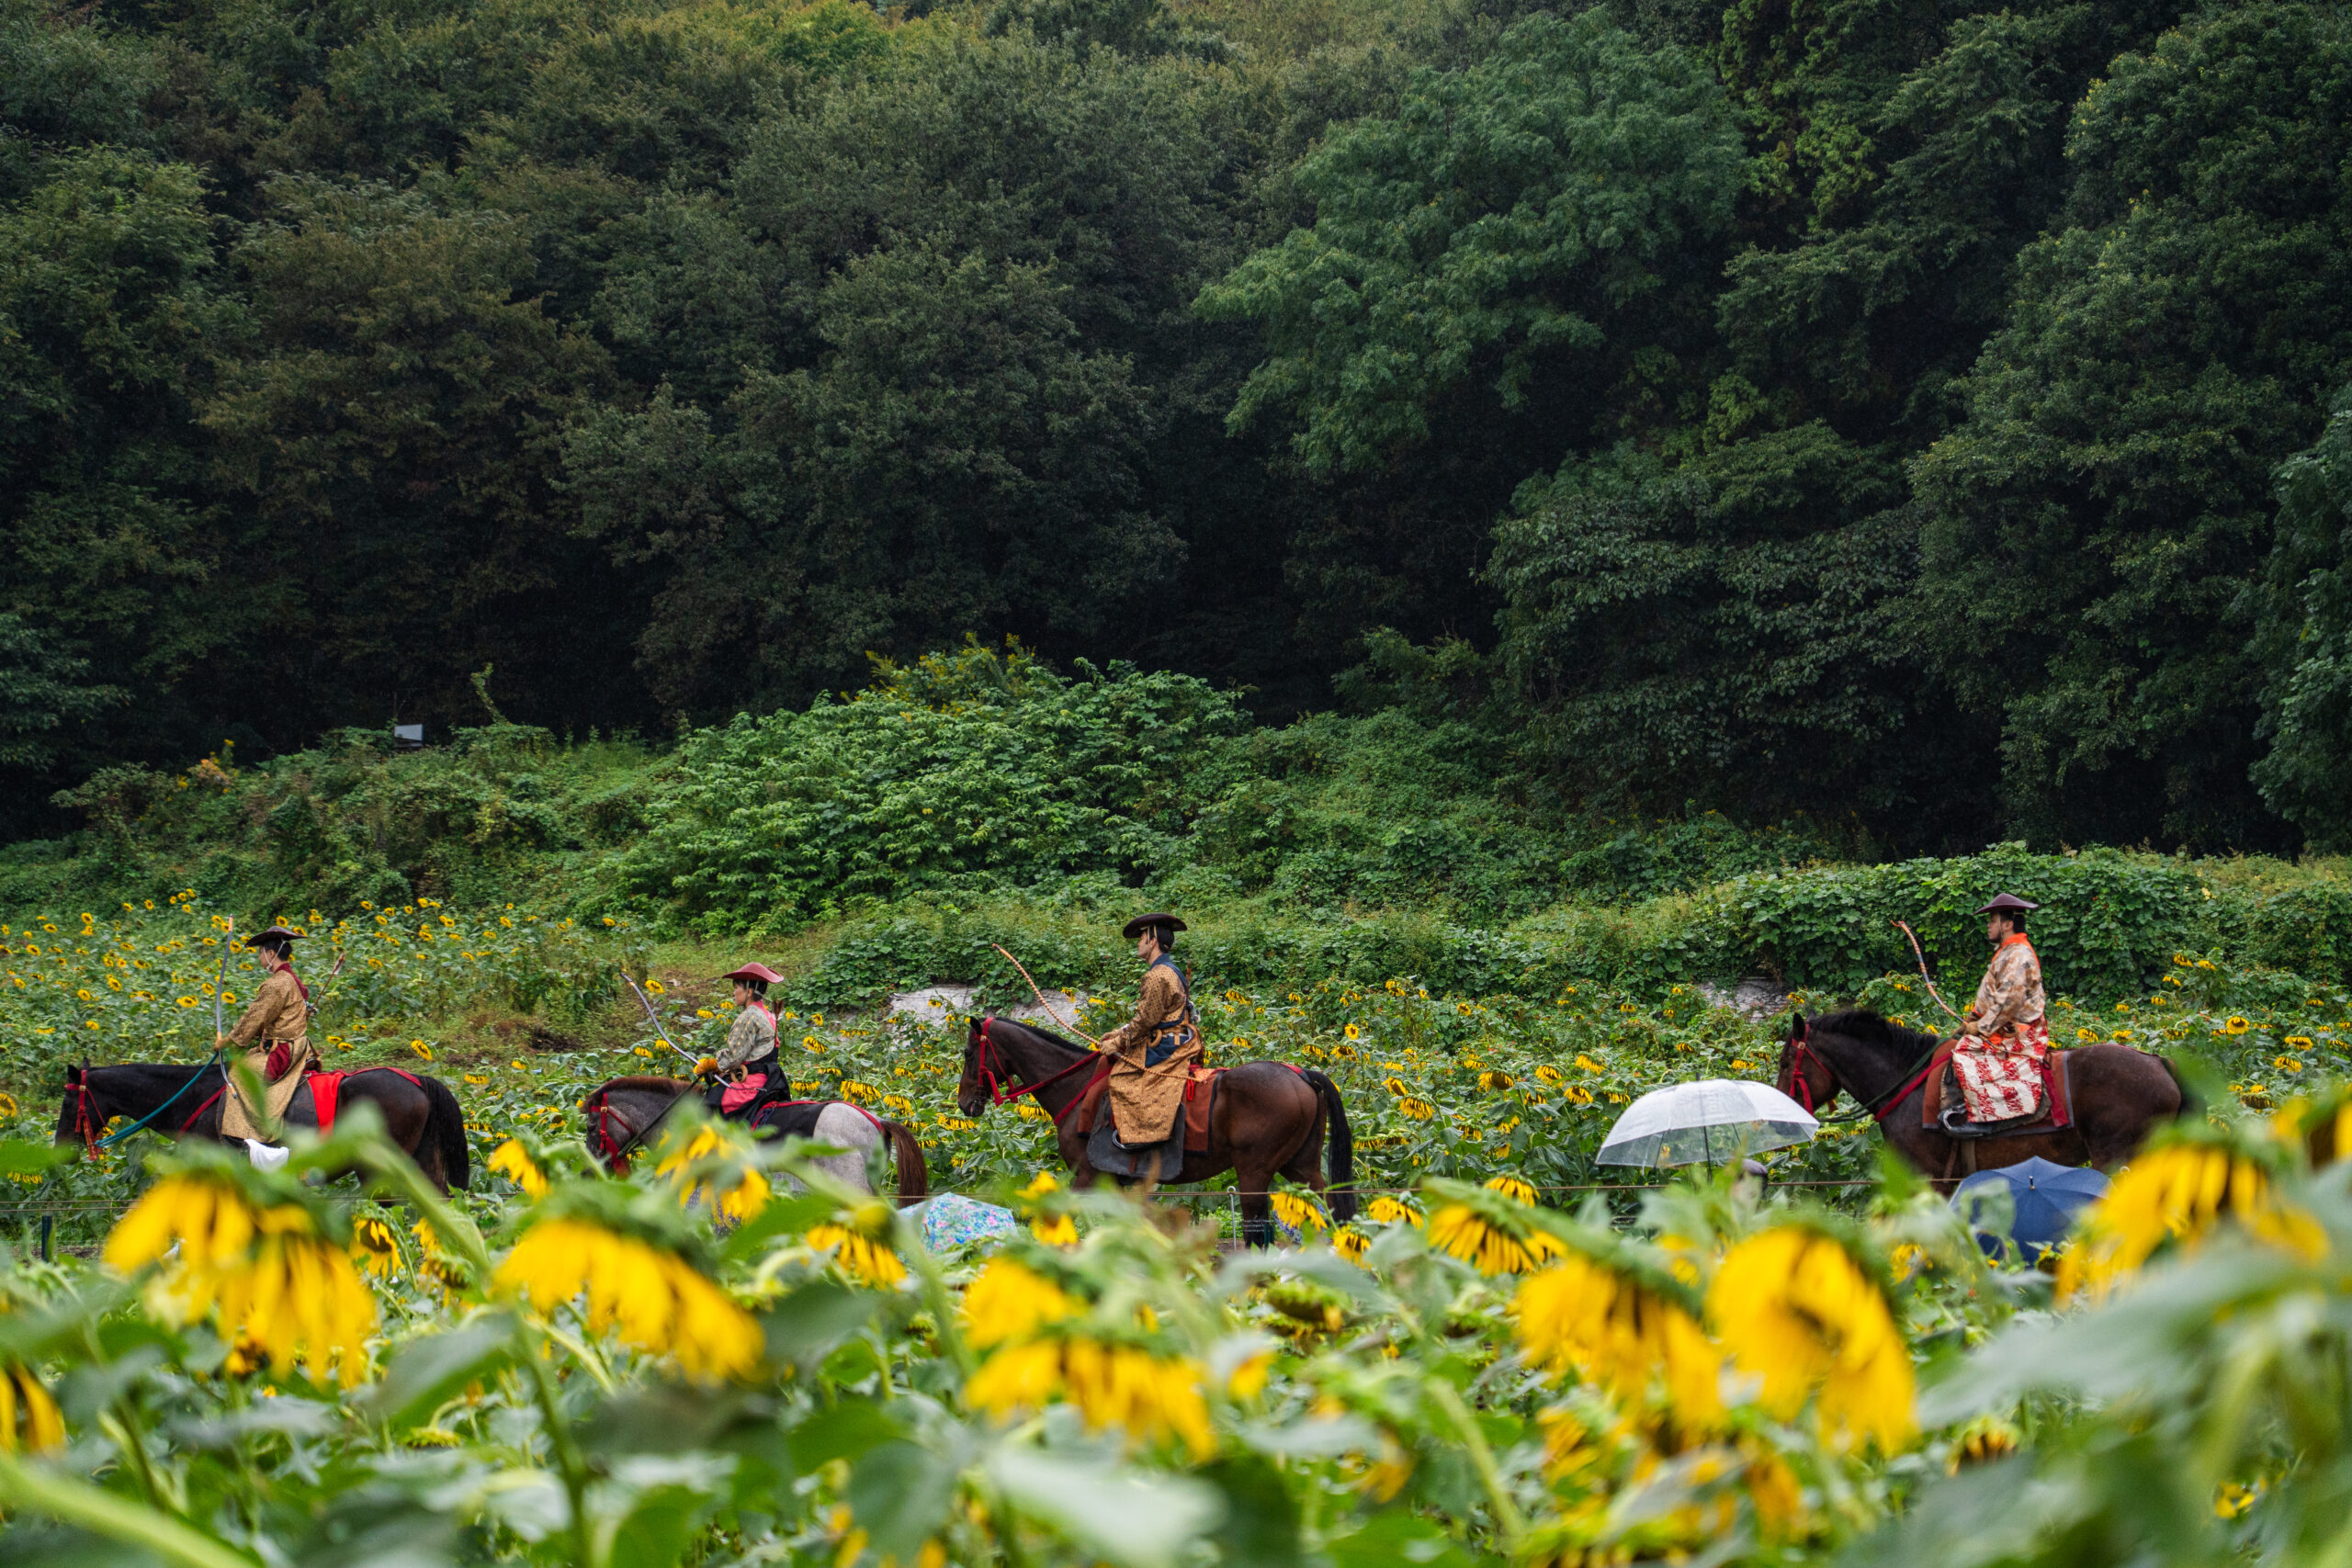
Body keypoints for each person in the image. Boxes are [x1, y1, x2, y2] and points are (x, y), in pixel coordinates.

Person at [1940, 894, 2050, 1136]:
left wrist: (1981, 1027)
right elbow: (1989, 996)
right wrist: (1971, 1021)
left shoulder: (2019, 954)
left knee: (1966, 1055)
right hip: (2001, 1026)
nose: (1988, 925)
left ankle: (1986, 1119)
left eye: (1992, 920)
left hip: (2019, 1033)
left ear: (2007, 924)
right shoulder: (2006, 952)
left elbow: (2008, 1000)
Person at [1100, 913, 1201, 1149]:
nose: (1138, 943)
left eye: (1142, 937)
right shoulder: (1170, 970)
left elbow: (1146, 1020)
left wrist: (1118, 1042)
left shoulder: (1158, 975)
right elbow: (1156, 1015)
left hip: (1165, 1047)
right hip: (1175, 1038)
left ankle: (1141, 1138)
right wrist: (1120, 1032)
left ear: (1153, 941)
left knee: (1120, 1078)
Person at [219, 926, 316, 1143]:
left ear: (271, 954)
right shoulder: (292, 980)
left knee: (239, 1075)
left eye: (260, 953)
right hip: (298, 1047)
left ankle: (252, 1136)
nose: (259, 958)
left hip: (282, 1052)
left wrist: (228, 1041)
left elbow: (254, 1017)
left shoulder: (276, 984)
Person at [707, 963, 783, 1115]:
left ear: (749, 991)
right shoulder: (767, 1015)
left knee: (706, 1106)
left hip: (751, 1084)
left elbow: (733, 1058)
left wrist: (712, 1064)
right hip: (770, 1080)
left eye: (736, 988)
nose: (734, 992)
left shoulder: (749, 1016)